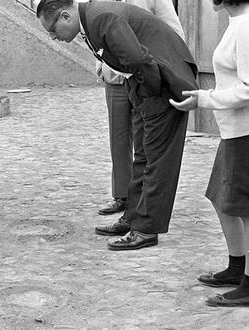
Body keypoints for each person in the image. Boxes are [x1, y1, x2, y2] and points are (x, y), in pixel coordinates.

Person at [36, 0, 198, 250]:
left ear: (66, 17)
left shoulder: (101, 17)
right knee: (143, 157)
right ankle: (132, 217)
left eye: (53, 31)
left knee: (157, 159)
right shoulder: (92, 18)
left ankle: (145, 230)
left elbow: (139, 60)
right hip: (152, 84)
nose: (54, 38)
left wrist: (150, 94)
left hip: (165, 83)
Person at [170, 0, 249, 307]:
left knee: (244, 208)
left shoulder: (245, 27)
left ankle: (247, 282)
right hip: (233, 131)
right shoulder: (237, 23)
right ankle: (236, 266)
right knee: (221, 199)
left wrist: (205, 98)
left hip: (244, 133)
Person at [96, 0, 185, 216]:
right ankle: (121, 196)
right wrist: (100, 63)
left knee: (144, 141)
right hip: (116, 79)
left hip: (145, 79)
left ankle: (143, 199)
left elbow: (174, 33)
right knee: (118, 139)